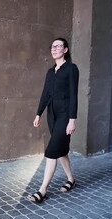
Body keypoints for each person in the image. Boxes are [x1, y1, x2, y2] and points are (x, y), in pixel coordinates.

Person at [27, 37, 79, 203]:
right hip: (52, 115)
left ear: (65, 50)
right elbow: (45, 94)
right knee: (61, 150)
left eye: (58, 46)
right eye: (52, 46)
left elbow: (73, 96)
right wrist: (38, 114)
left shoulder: (71, 69)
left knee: (51, 151)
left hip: (65, 115)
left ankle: (42, 190)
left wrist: (72, 119)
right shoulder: (50, 72)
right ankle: (71, 179)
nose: (54, 49)